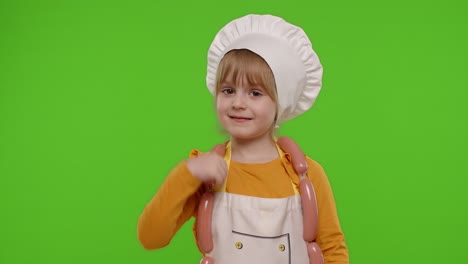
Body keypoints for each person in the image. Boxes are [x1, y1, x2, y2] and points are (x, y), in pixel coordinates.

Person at [137, 14, 349, 263]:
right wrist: (186, 173)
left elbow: (333, 250)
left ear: (281, 102)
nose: (238, 103)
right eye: (228, 90)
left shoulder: (307, 175)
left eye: (255, 93)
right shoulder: (204, 175)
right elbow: (151, 237)